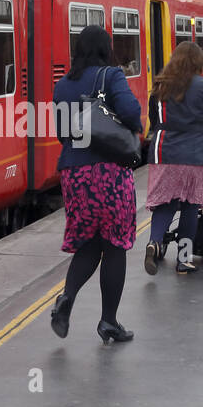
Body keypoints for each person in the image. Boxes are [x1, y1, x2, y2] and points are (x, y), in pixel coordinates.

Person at [51, 25, 143, 344]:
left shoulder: (62, 84)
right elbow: (132, 113)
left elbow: (62, 133)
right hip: (109, 173)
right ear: (106, 49)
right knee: (114, 245)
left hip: (74, 174)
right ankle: (108, 322)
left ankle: (66, 298)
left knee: (88, 243)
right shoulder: (111, 76)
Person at [143, 41, 203, 275]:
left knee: (165, 203)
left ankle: (154, 243)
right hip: (194, 154)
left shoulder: (160, 85)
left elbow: (154, 120)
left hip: (163, 152)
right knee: (191, 206)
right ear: (198, 62)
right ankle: (183, 261)